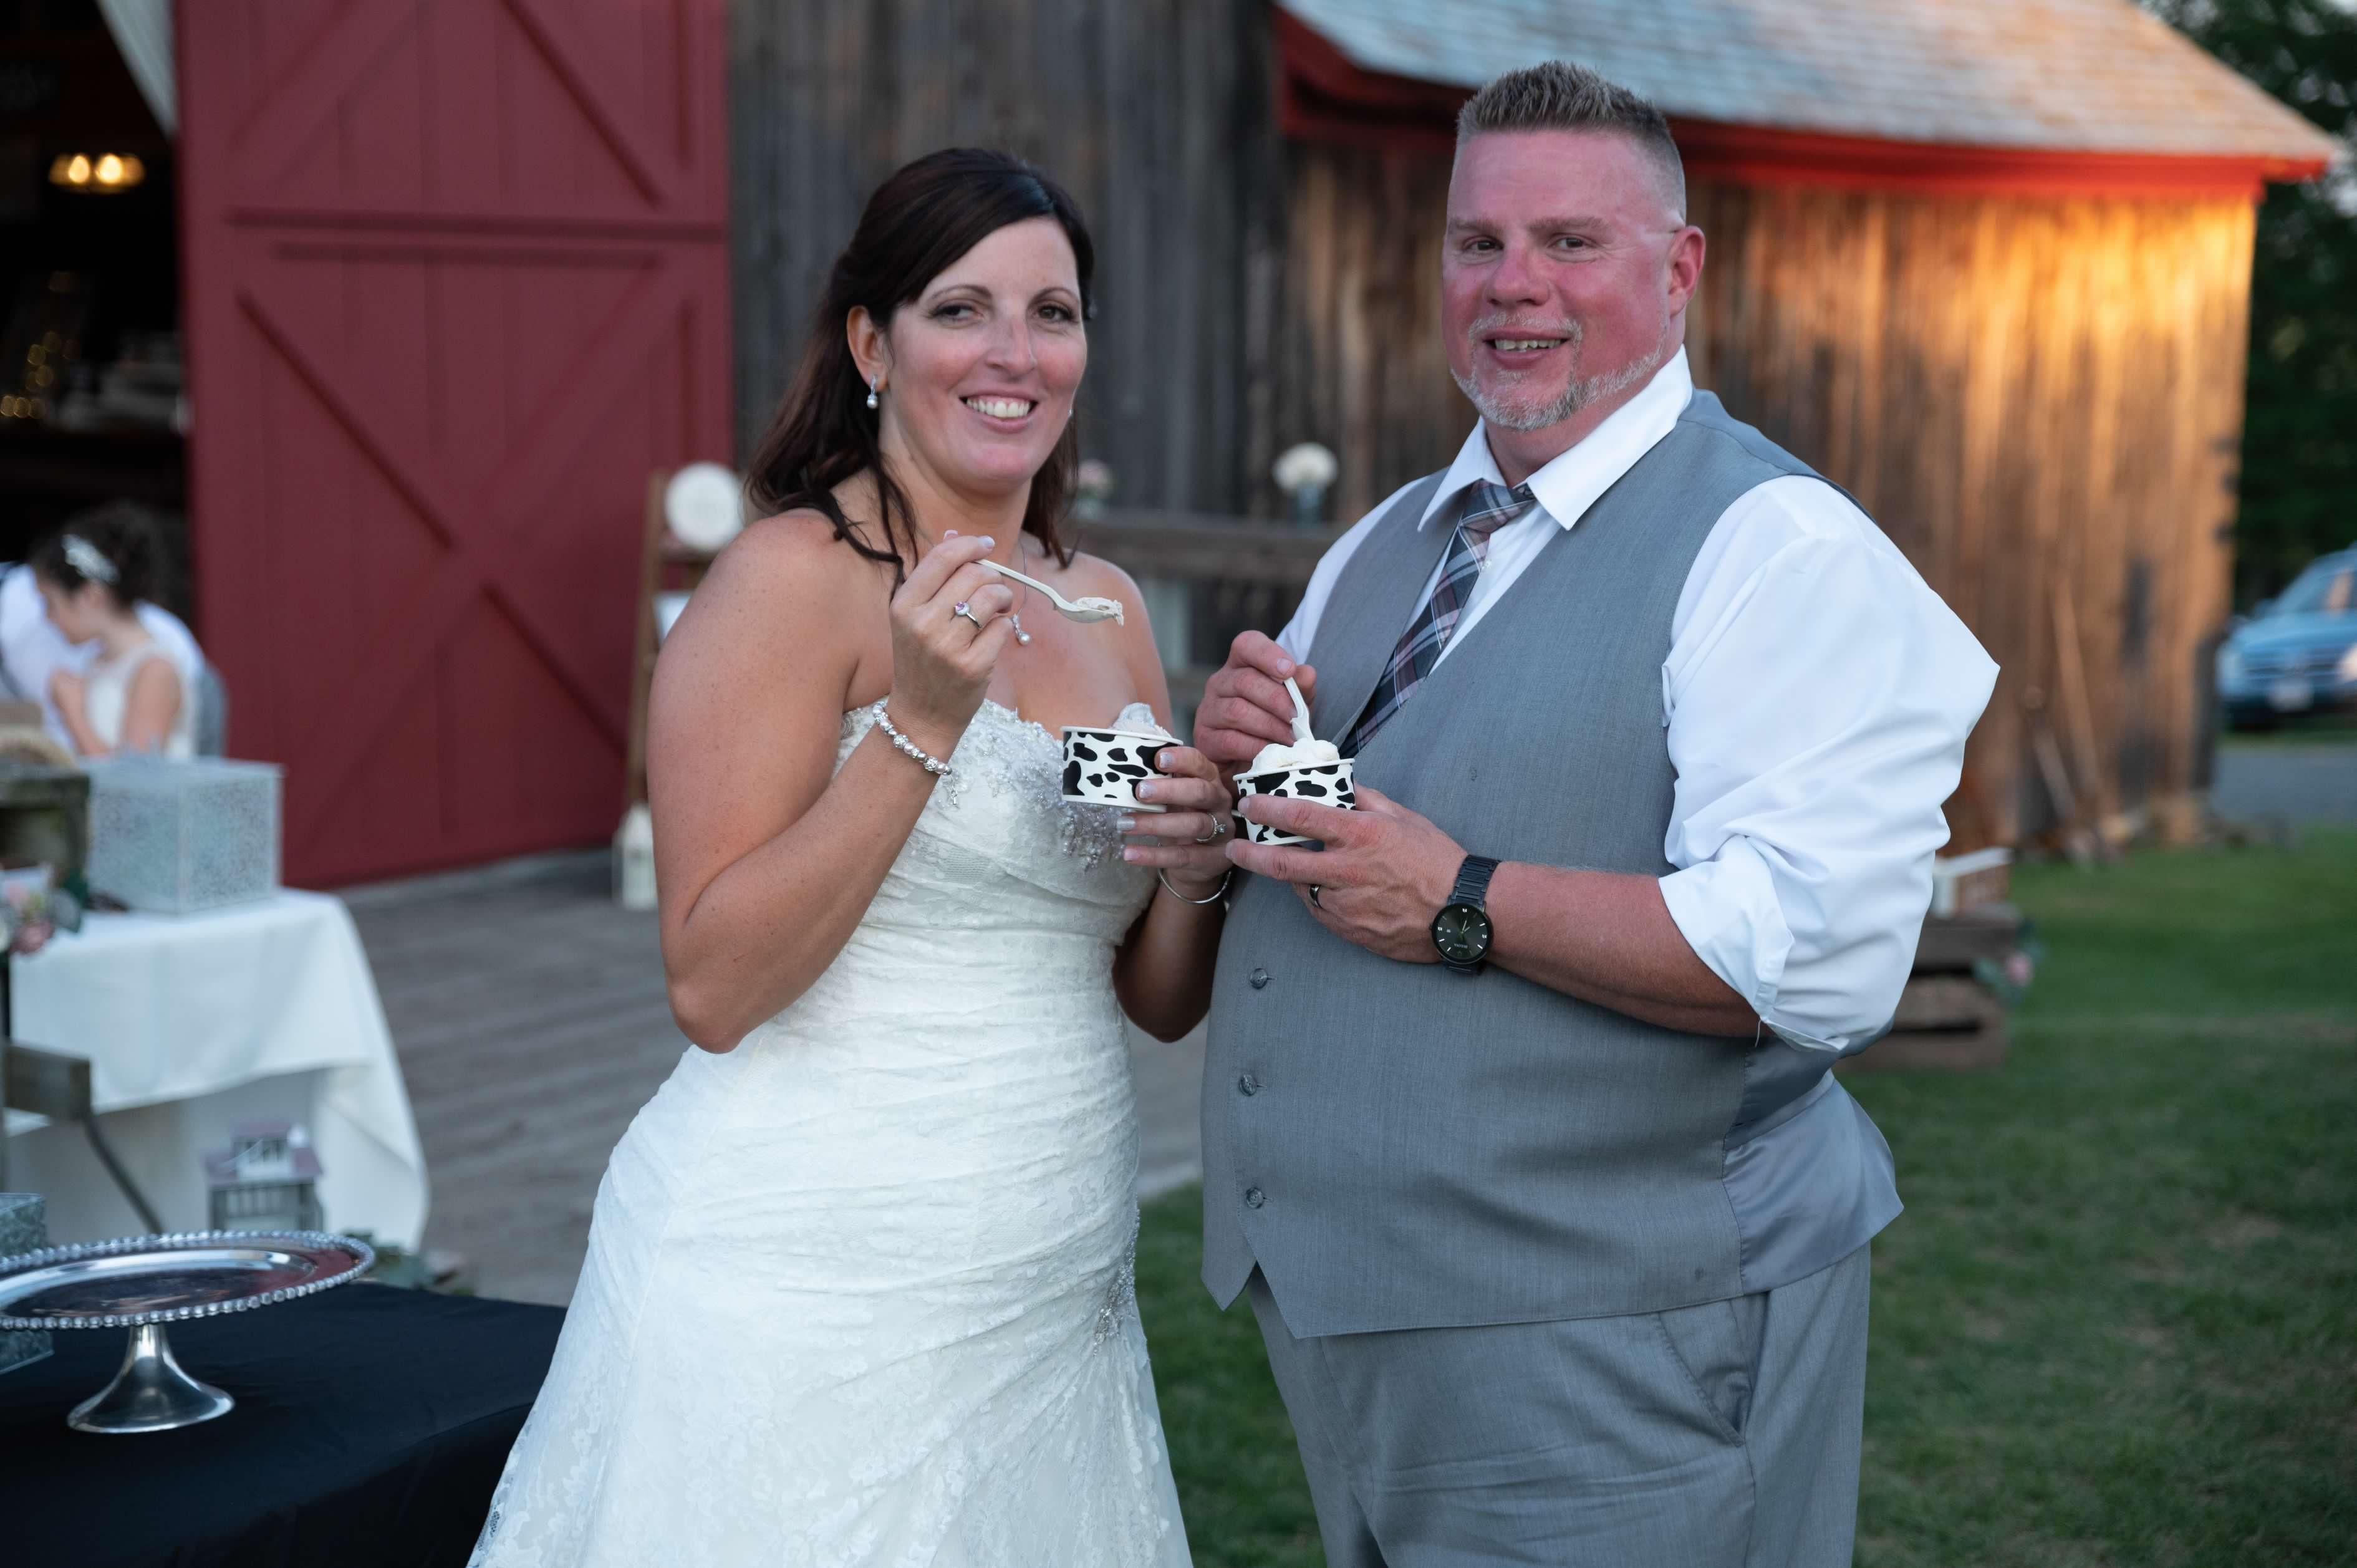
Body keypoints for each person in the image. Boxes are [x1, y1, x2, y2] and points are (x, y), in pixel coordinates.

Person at [1193, 62, 1998, 1566]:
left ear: (1679, 269)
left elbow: (1815, 955)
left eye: (1571, 242)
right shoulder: (1384, 541)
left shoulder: (1777, 548)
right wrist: (1247, 751)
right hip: (1350, 1325)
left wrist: (1464, 897)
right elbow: (1336, 833)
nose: (1515, 284)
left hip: (1614, 1343)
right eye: (1478, 242)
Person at [469, 149, 1226, 1567]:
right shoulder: (788, 582)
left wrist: (1196, 861)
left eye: (1053, 313)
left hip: (1052, 1277)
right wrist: (920, 727)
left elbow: (1153, 997)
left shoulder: (1105, 607)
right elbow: (714, 986)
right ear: (874, 344)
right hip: (804, 1278)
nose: (1014, 354)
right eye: (963, 310)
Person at [17, 507, 200, 758]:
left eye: (50, 603)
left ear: (89, 597)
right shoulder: (97, 661)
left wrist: (74, 715)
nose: (48, 618)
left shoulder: (155, 670)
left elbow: (135, 775)